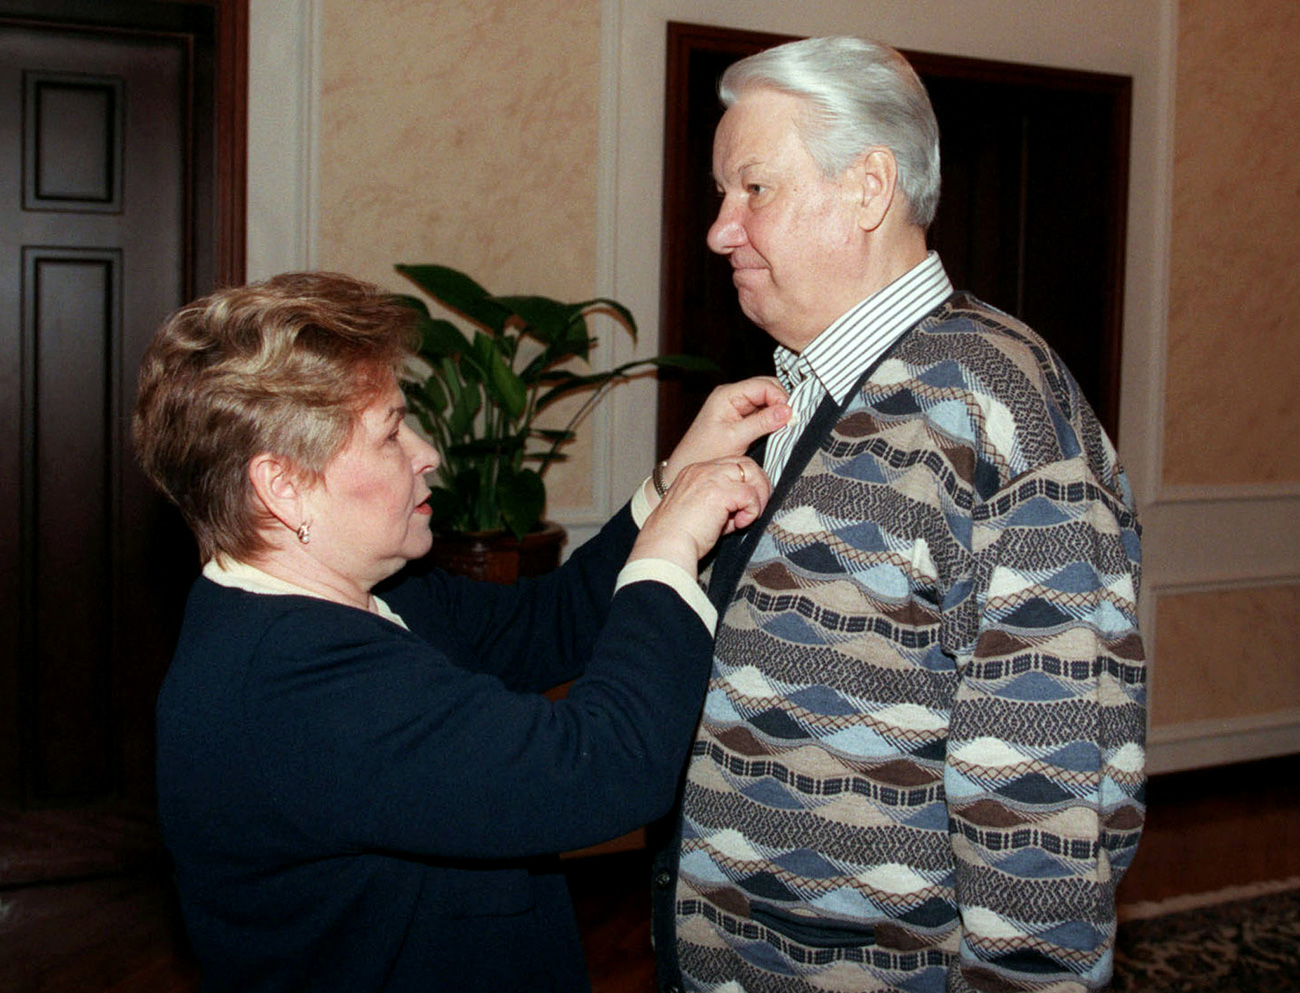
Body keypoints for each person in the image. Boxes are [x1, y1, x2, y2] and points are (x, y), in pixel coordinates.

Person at [647, 36, 1146, 993]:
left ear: (870, 187)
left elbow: (1045, 809)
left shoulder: (1003, 410)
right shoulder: (793, 395)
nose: (720, 229)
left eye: (753, 189)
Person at [132, 270, 791, 993]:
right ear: (283, 485)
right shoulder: (290, 683)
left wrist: (674, 480)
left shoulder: (373, 591)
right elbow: (605, 768)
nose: (427, 452)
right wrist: (670, 551)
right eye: (390, 432)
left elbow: (552, 618)